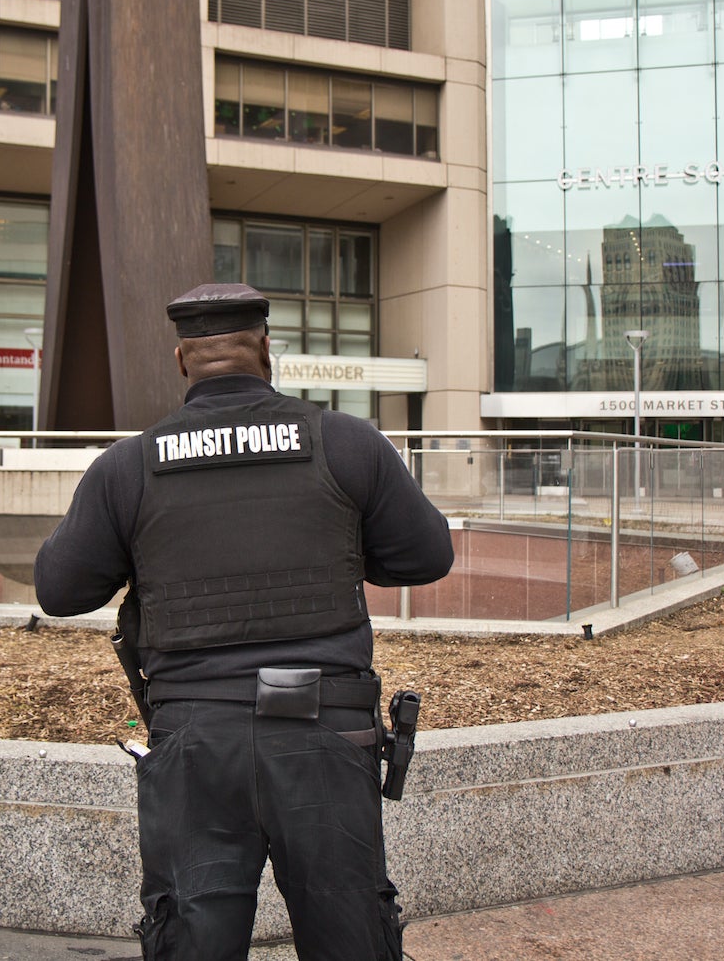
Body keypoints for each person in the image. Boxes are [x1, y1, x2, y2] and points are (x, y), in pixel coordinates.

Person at [34, 283, 454, 960]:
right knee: (353, 941)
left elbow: (59, 589)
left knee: (191, 943)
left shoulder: (129, 468)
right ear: (266, 349)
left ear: (181, 360)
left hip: (196, 745)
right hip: (327, 738)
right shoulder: (345, 443)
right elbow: (427, 556)